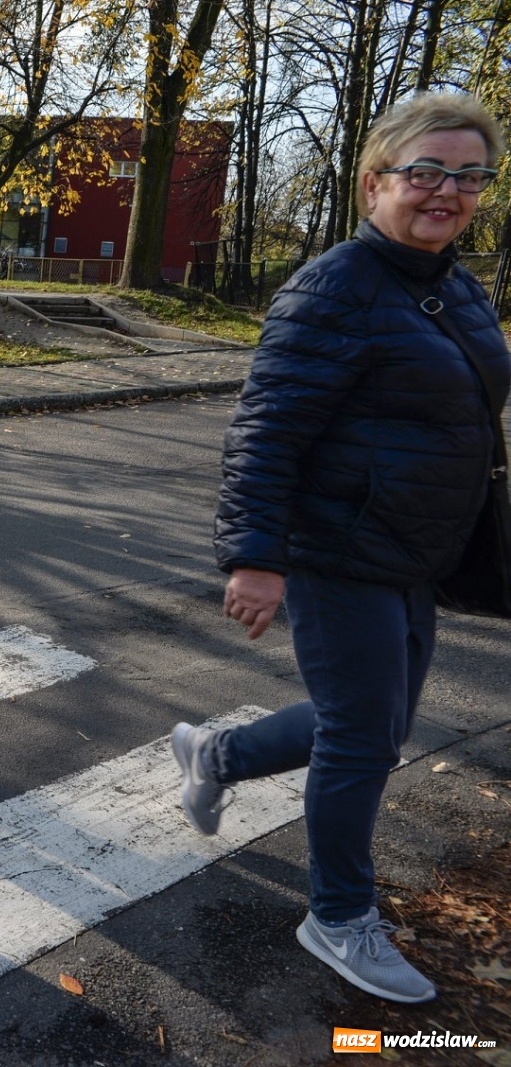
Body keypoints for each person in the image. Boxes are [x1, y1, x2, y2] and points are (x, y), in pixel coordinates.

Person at [173, 92, 507, 1004]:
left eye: (470, 175)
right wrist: (254, 556)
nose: (448, 191)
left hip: (413, 551)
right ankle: (338, 914)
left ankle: (219, 755)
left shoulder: (451, 283)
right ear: (375, 181)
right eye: (426, 171)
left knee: (372, 723)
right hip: (338, 549)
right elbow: (267, 431)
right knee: (365, 733)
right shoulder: (338, 287)